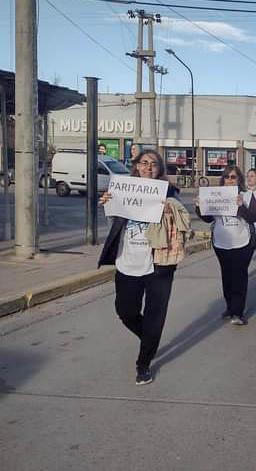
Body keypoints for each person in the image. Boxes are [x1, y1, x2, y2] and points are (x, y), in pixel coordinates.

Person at [98, 149, 190, 385]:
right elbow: (115, 224)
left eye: (154, 164)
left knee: (155, 316)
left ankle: (143, 363)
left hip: (159, 264)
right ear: (137, 166)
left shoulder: (169, 193)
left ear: (159, 169)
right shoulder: (123, 189)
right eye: (144, 163)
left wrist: (170, 210)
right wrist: (108, 203)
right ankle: (149, 338)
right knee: (125, 311)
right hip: (127, 262)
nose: (149, 167)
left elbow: (183, 220)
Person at [195, 166, 256, 325]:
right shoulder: (215, 195)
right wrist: (199, 207)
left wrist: (241, 205)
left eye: (233, 177)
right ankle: (230, 307)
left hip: (242, 242)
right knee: (227, 276)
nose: (230, 180)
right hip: (221, 243)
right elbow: (208, 219)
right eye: (227, 177)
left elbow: (253, 217)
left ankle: (238, 312)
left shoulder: (247, 195)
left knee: (239, 277)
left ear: (239, 179)